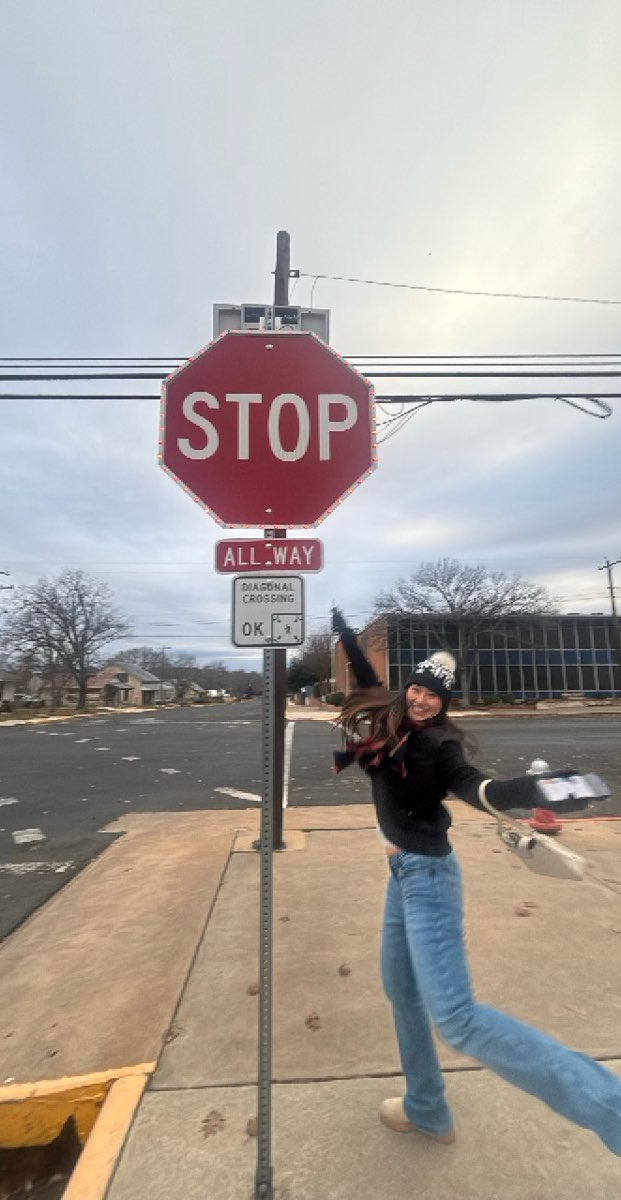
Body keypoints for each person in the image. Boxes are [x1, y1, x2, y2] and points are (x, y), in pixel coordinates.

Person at [332, 608, 621, 1155]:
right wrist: (346, 633)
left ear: (445, 704)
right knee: (403, 992)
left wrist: (533, 792)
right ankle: (427, 1107)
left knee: (458, 1019)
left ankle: (612, 1109)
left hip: (428, 878)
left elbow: (476, 787)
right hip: (401, 875)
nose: (422, 700)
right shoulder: (389, 720)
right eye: (417, 689)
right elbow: (367, 680)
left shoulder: (439, 746)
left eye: (434, 696)